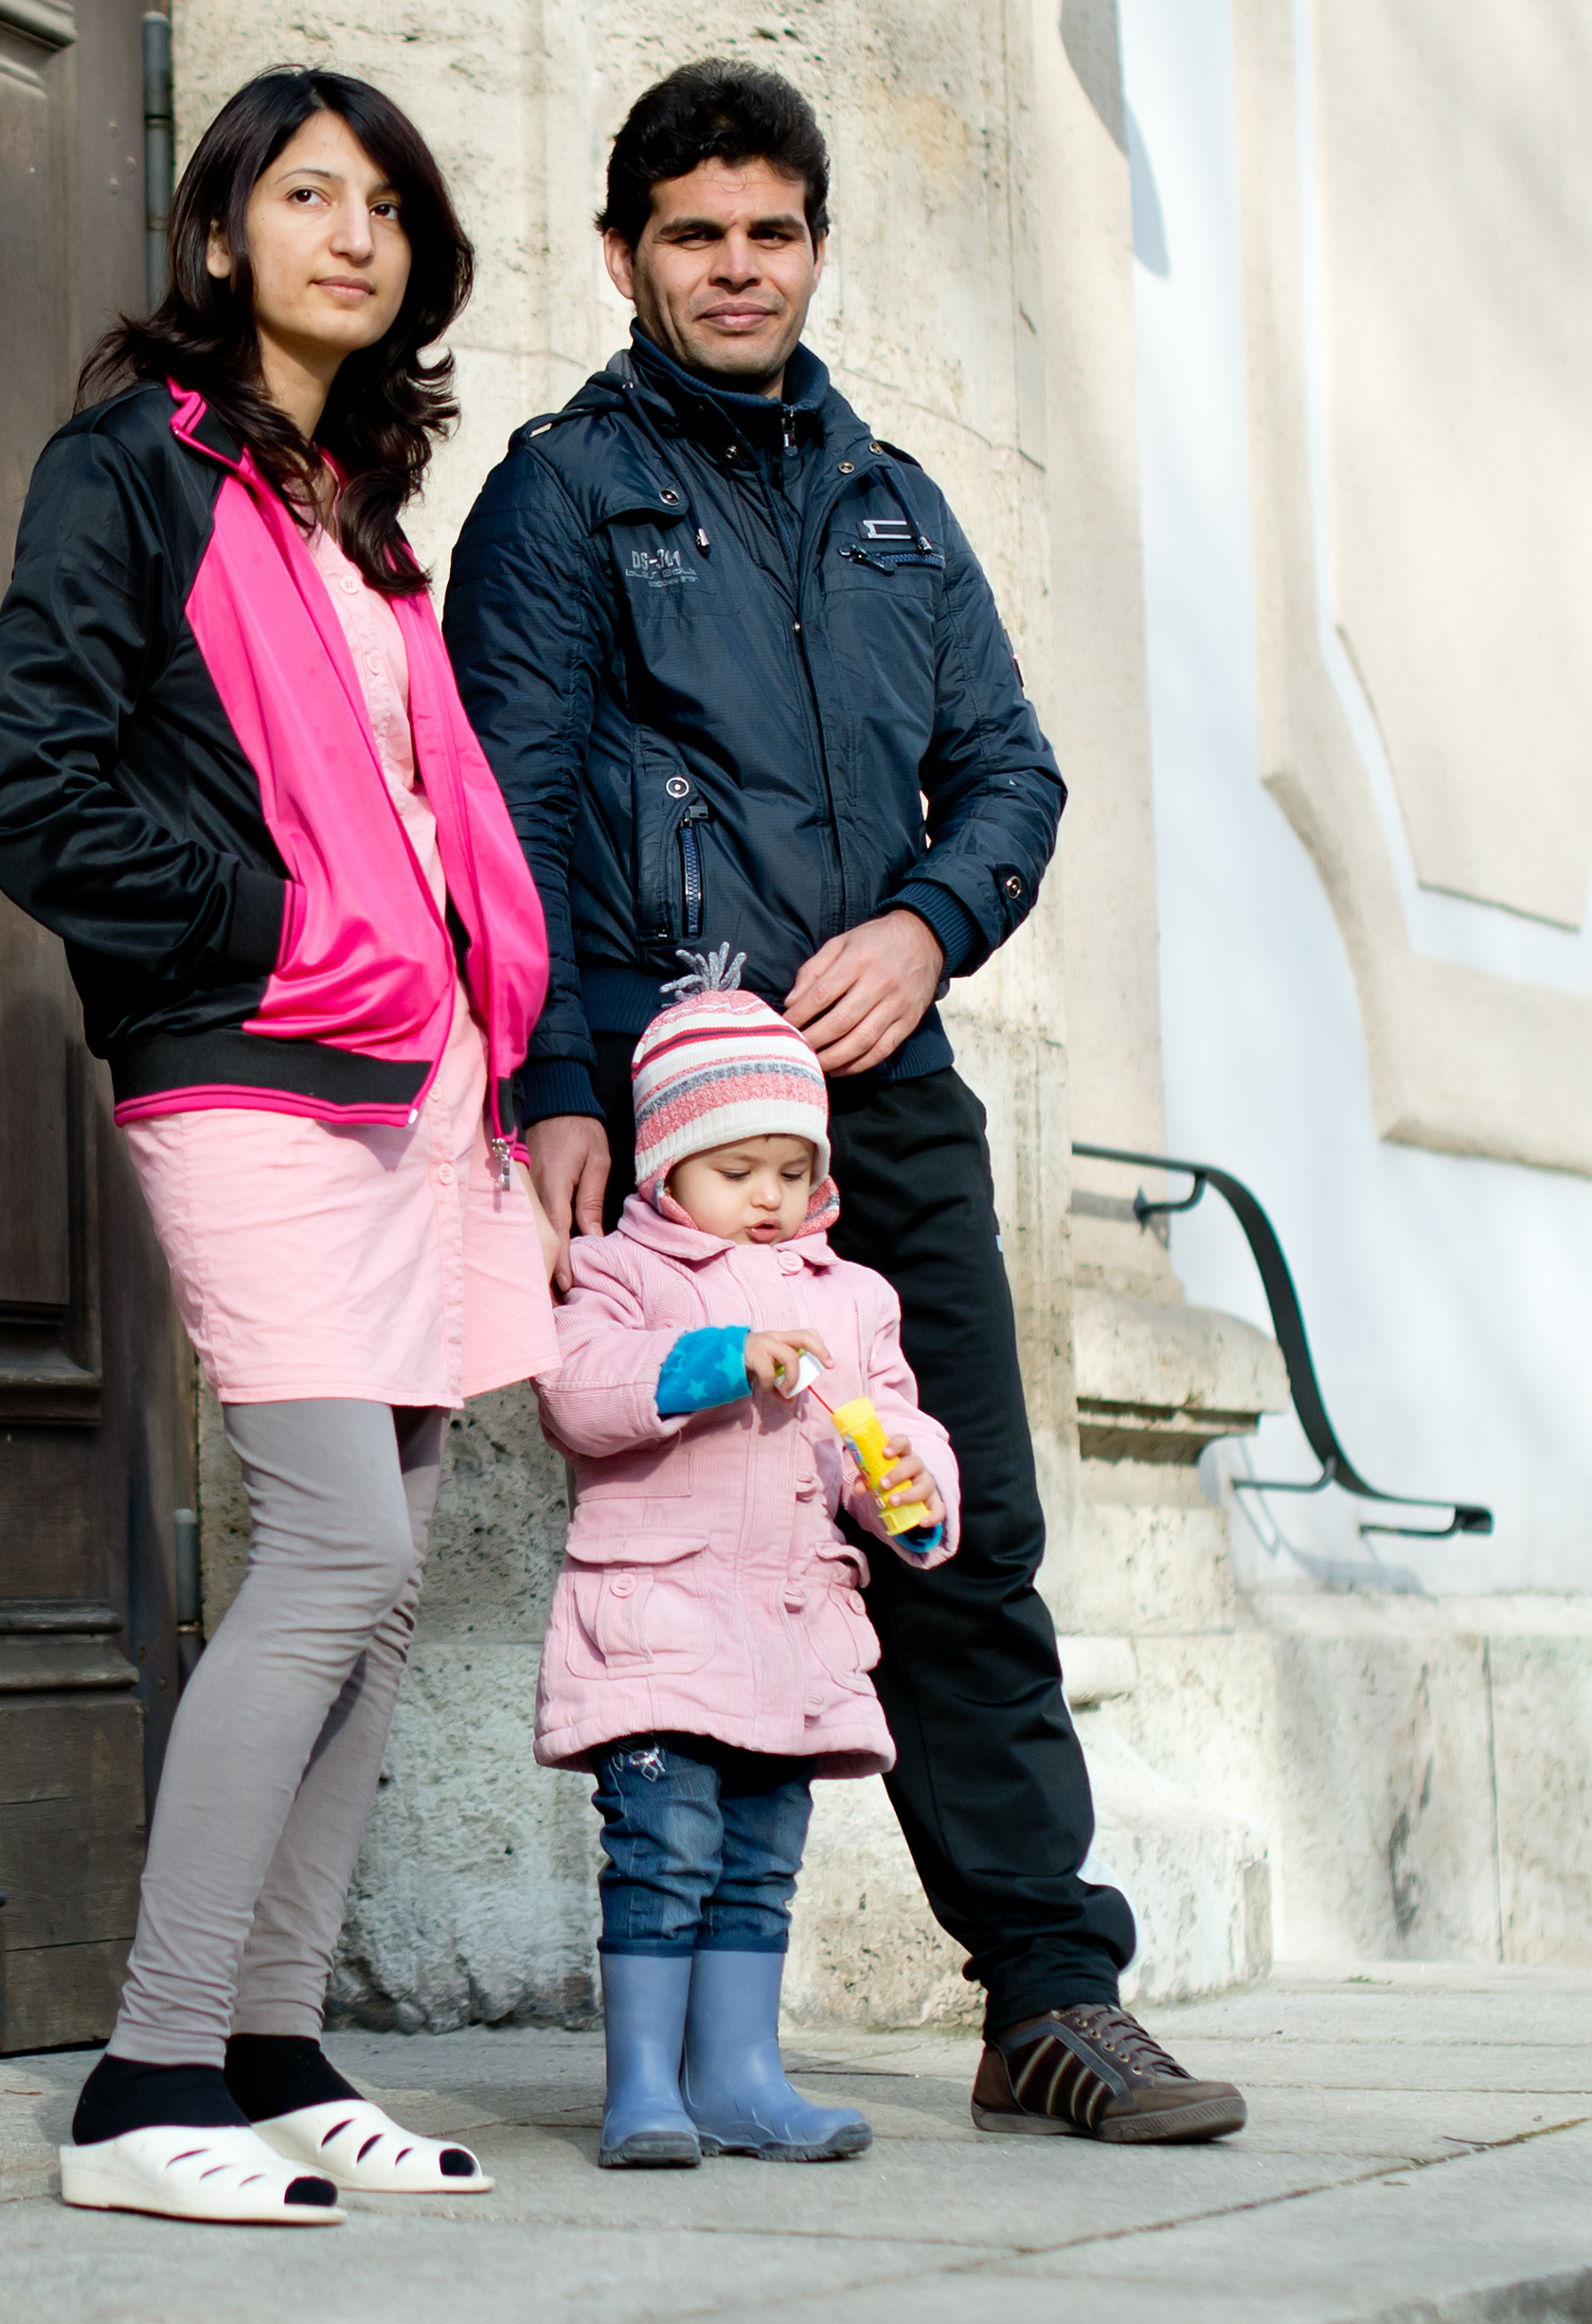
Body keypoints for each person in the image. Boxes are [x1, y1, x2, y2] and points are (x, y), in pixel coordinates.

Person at [447, 58, 1247, 2144]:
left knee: (951, 1521)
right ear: (622, 254)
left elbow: (1010, 770)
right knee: (686, 1536)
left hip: (869, 1097)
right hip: (654, 1091)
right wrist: (552, 1081)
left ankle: (1045, 2000)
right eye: (692, 234)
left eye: (770, 232)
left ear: (812, 248)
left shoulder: (894, 501)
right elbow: (511, 803)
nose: (734, 268)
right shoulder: (558, 493)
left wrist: (924, 925)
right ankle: (691, 2034)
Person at [0, 66, 561, 2226]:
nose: (353, 231)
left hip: (417, 1085)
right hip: (249, 1059)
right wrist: (273, 919)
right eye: (309, 193)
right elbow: (27, 788)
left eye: (386, 203)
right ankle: (143, 2079)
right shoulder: (134, 466)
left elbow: (425, 822)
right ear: (221, 234)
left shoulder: (361, 521)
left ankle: (280, 2045)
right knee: (332, 1551)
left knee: (383, 1590)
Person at [535, 956, 958, 2171]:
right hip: (660, 1628)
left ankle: (737, 2076)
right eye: (737, 1172)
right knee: (662, 1852)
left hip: (790, 1637)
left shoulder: (855, 1300)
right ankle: (642, 2090)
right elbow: (577, 1393)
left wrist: (909, 1490)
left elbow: (891, 1425)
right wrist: (721, 1359)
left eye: (793, 1171)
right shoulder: (620, 1271)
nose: (770, 1198)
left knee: (762, 1862)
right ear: (666, 1162)